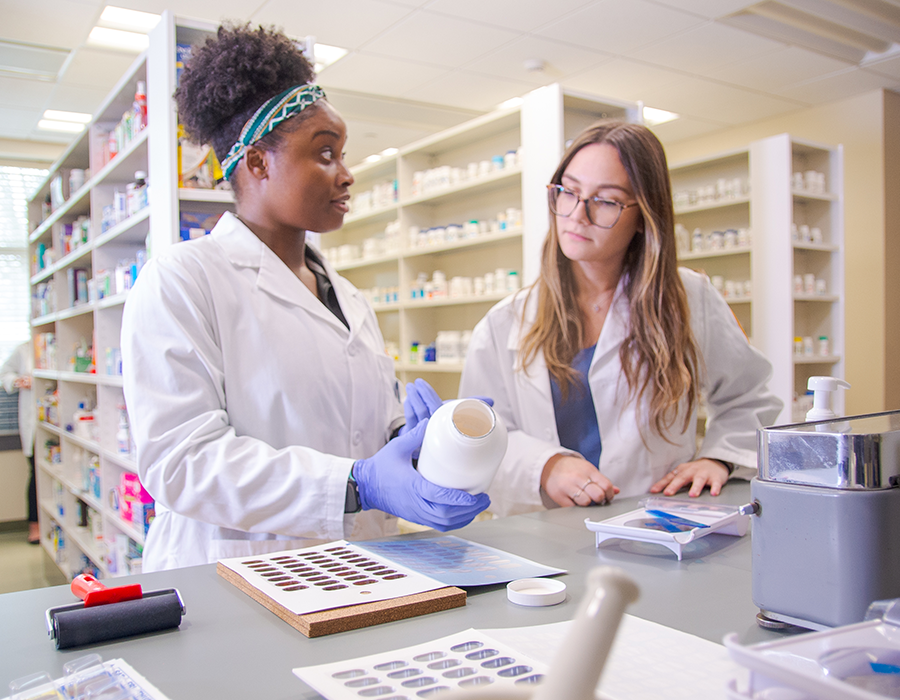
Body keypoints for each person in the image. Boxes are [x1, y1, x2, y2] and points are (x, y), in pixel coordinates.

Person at [121, 23, 488, 572]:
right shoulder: (181, 280)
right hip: (235, 576)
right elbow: (183, 463)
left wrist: (414, 443)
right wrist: (357, 484)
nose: (346, 175)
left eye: (342, 153)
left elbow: (359, 430)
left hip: (359, 568)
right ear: (258, 163)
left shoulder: (349, 298)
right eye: (324, 154)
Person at [459, 120, 782, 517]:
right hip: (541, 538)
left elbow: (748, 398)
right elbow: (479, 436)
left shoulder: (689, 298)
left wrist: (719, 458)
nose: (578, 214)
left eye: (606, 201)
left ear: (644, 215)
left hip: (654, 526)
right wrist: (545, 467)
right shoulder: (503, 322)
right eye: (569, 192)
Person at [0, 341, 38, 544]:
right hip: (33, 421)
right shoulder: (24, 349)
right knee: (36, 474)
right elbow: (4, 374)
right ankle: (35, 526)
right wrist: (18, 381)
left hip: (56, 422)